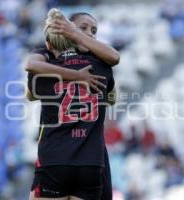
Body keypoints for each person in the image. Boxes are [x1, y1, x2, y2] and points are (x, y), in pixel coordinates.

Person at [27, 10, 119, 200]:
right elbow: (111, 98)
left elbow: (31, 93)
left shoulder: (46, 65)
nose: (90, 34)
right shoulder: (103, 67)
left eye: (94, 30)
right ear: (66, 30)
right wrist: (78, 77)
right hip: (90, 160)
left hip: (55, 157)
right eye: (83, 28)